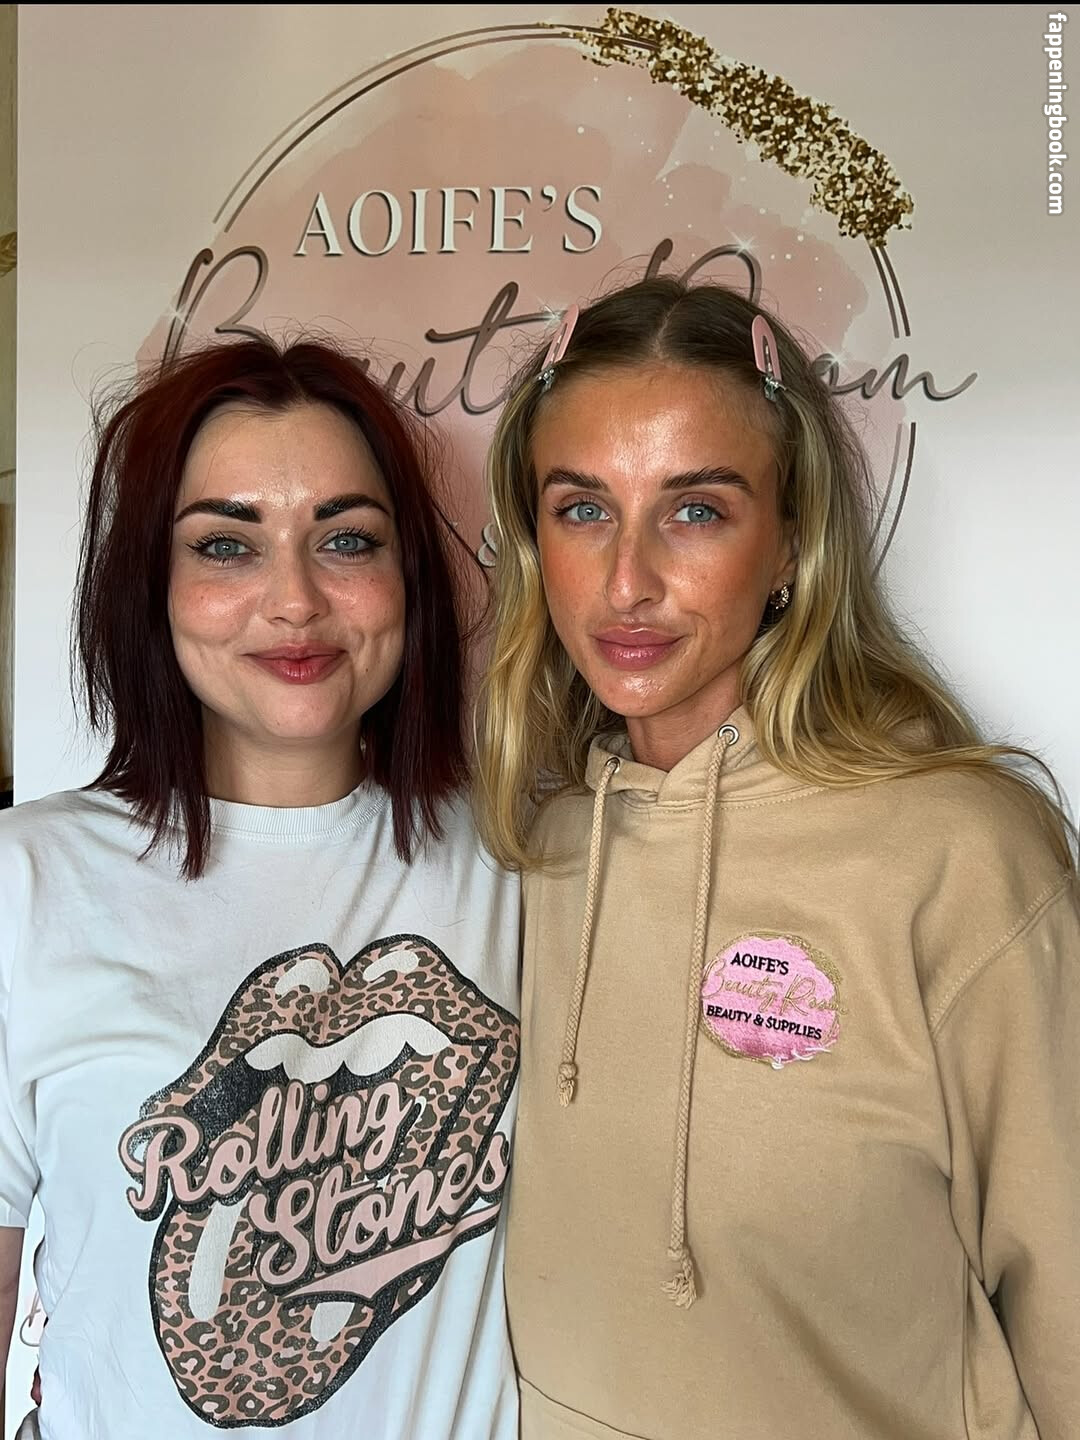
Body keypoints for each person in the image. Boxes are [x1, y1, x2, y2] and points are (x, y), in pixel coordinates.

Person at [476, 277, 1080, 1440]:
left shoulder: (963, 854)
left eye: (697, 511)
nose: (627, 581)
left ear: (793, 539)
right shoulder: (538, 850)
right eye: (583, 509)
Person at [0, 337, 520, 1437]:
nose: (294, 600)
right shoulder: (25, 881)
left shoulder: (527, 860)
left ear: (409, 580)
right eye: (226, 546)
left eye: (346, 539)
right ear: (152, 586)